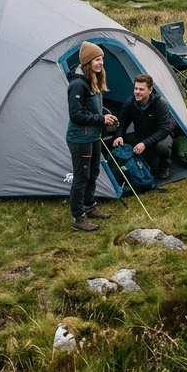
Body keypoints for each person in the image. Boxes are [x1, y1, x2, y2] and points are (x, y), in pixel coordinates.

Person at [67, 41, 118, 231]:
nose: (101, 63)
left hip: (93, 135)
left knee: (93, 172)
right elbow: (76, 115)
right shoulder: (77, 84)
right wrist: (101, 119)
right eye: (97, 59)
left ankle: (89, 205)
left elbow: (93, 107)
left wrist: (106, 114)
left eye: (102, 59)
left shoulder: (93, 79)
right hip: (80, 138)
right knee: (81, 177)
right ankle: (78, 218)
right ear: (88, 62)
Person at [113, 73, 175, 180]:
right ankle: (134, 165)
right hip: (140, 135)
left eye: (141, 89)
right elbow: (122, 123)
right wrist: (119, 135)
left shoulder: (160, 104)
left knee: (162, 147)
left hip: (159, 137)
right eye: (136, 88)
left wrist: (144, 143)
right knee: (119, 143)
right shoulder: (130, 103)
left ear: (150, 90)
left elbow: (165, 129)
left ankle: (164, 167)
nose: (137, 92)